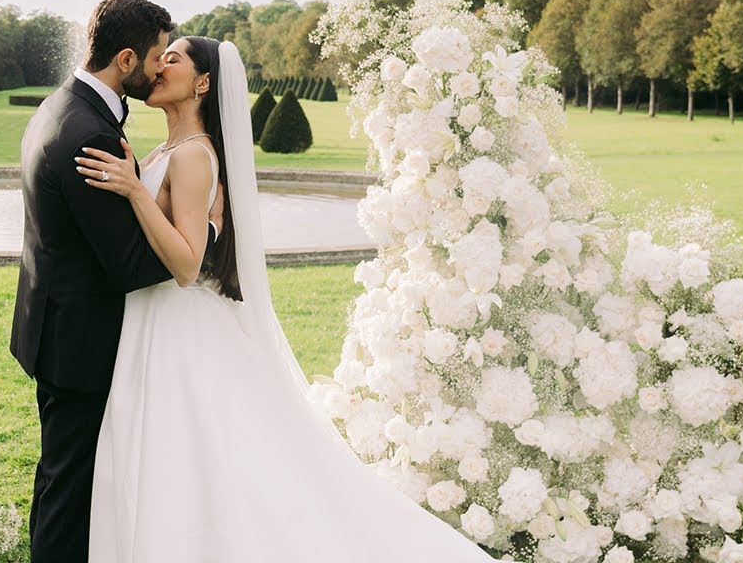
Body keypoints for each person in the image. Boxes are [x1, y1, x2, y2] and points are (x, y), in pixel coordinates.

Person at [77, 36, 494, 561]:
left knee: (188, 460)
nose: (159, 65)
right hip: (154, 322)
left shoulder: (193, 158)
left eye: (174, 58)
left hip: (179, 327)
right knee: (180, 461)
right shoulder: (166, 151)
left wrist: (135, 191)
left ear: (203, 83)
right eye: (161, 57)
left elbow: (185, 266)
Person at [10, 0, 221, 563]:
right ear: (127, 59)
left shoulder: (61, 106)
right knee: (69, 486)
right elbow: (130, 264)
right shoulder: (91, 132)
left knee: (65, 477)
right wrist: (205, 245)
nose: (161, 69)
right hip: (80, 342)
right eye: (158, 57)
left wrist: (196, 235)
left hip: (56, 327)